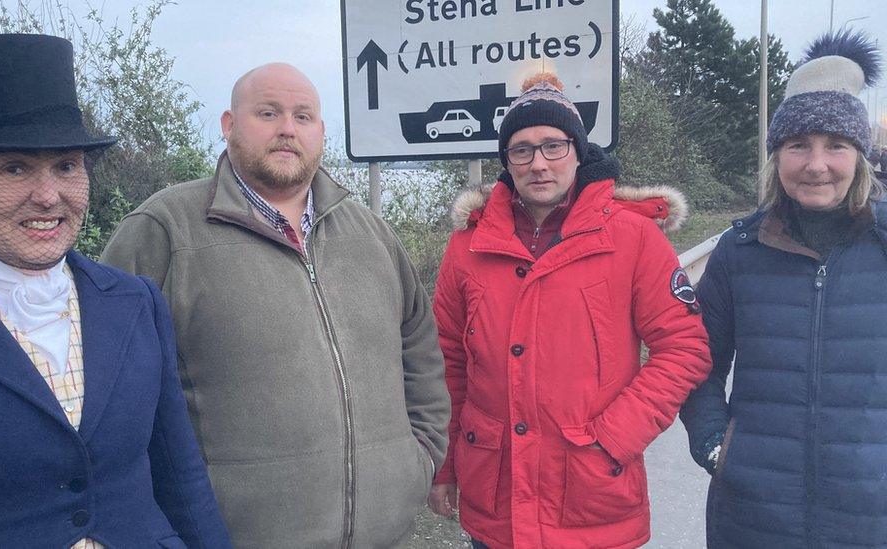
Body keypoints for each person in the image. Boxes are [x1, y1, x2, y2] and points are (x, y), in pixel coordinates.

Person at [101, 62, 450, 547]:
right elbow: (111, 389)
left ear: (321, 132)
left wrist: (422, 455)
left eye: (303, 116)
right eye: (268, 113)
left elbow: (419, 345)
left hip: (384, 533)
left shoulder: (369, 230)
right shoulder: (164, 230)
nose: (288, 129)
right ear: (228, 125)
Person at [0, 34, 230, 547]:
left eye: (65, 166)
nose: (48, 195)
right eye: (14, 168)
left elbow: (180, 474)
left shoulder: (136, 302)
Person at [426, 72, 712, 548]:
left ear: (578, 151)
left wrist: (615, 436)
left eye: (553, 146)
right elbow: (448, 361)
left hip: (590, 496)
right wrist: (447, 463)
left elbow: (684, 349)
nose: (539, 163)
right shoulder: (468, 245)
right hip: (495, 498)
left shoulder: (633, 237)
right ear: (507, 161)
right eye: (522, 149)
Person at [680, 31, 886, 548]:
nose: (816, 164)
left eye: (835, 146)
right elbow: (697, 361)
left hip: (870, 517)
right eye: (799, 145)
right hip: (752, 515)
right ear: (777, 157)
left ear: (858, 156)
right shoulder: (738, 251)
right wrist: (715, 448)